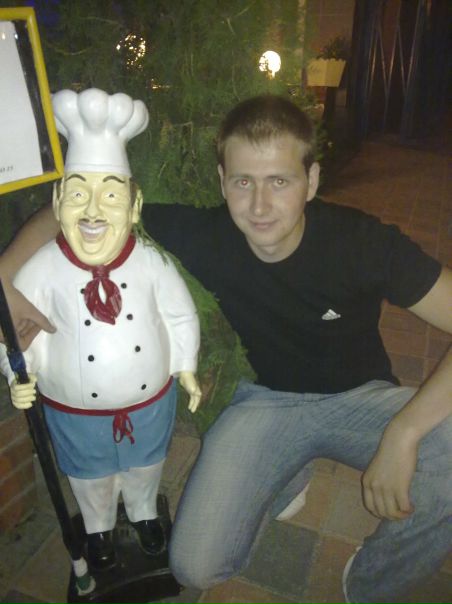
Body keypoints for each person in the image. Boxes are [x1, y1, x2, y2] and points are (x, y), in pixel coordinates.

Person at [0, 95, 451, 603]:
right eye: (243, 182)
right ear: (222, 181)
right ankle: (286, 470)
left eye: (279, 181)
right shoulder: (207, 235)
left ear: (312, 181)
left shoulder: (363, 243)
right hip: (265, 404)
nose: (259, 206)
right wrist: (3, 276)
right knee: (195, 565)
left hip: (361, 399)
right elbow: (63, 212)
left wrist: (405, 432)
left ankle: (369, 584)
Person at [0, 88, 201, 572]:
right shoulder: (41, 269)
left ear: (133, 205)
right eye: (78, 195)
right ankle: (98, 527)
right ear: (58, 202)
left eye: (110, 196)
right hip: (75, 413)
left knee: (145, 467)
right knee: (89, 478)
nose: (92, 212)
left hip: (149, 405)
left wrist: (186, 365)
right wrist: (16, 375)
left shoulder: (152, 262)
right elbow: (13, 331)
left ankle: (144, 513)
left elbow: (180, 315)